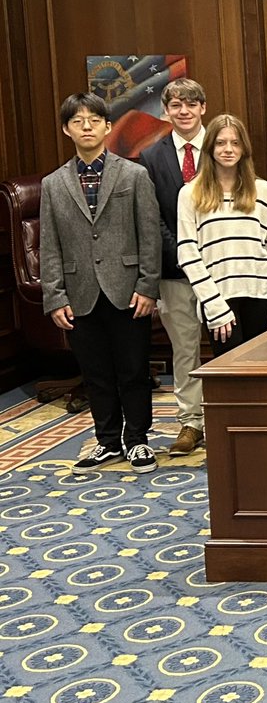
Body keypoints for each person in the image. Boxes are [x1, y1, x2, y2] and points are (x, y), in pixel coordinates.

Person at [41, 92, 161, 475]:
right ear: (66, 129)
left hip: (128, 290)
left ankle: (138, 440)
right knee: (96, 373)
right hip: (79, 293)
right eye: (78, 121)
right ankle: (108, 441)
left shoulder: (134, 175)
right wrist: (55, 296)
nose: (87, 126)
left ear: (108, 126)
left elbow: (150, 236)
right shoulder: (53, 184)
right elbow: (50, 244)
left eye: (94, 119)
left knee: (133, 369)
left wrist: (148, 286)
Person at [177, 114, 267, 355]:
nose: (228, 149)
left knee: (257, 374)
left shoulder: (263, 190)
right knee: (228, 375)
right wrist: (213, 304)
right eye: (220, 142)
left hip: (260, 295)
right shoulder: (190, 193)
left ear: (244, 148)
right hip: (219, 297)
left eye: (235, 143)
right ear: (209, 147)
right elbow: (187, 253)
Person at [139, 77, 207, 457]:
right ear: (166, 111)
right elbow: (154, 218)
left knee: (230, 347)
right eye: (176, 105)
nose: (184, 111)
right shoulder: (151, 156)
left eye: (191, 104)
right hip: (175, 271)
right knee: (185, 349)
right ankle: (190, 422)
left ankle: (223, 414)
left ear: (203, 108)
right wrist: (185, 255)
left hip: (222, 268)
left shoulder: (222, 145)